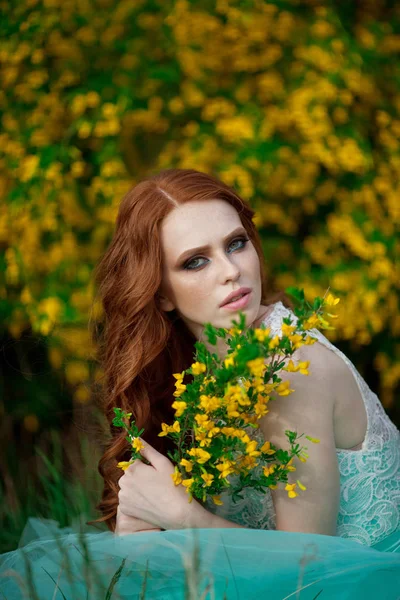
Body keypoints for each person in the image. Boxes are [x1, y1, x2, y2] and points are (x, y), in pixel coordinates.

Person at [1, 168, 399, 600]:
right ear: (161, 294)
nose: (231, 271)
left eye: (236, 243)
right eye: (196, 261)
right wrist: (140, 532)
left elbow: (311, 573)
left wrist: (182, 514)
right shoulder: (208, 362)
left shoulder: (288, 369)